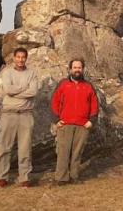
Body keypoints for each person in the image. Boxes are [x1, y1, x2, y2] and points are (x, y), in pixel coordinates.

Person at [0, 47, 38, 188]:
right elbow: (8, 90)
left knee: (25, 149)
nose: (20, 60)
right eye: (18, 57)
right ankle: (2, 177)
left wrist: (16, 91)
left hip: (26, 115)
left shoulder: (32, 73)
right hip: (9, 114)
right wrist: (24, 88)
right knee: (4, 147)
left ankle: (24, 177)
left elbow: (33, 91)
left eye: (23, 57)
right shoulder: (7, 73)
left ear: (26, 58)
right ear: (14, 58)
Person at [50, 58, 98, 186]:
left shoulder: (88, 86)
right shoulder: (63, 84)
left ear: (83, 69)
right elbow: (54, 102)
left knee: (77, 152)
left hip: (83, 125)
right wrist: (56, 120)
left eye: (79, 67)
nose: (77, 70)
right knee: (63, 152)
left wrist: (92, 121)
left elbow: (94, 105)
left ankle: (74, 176)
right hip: (65, 123)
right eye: (75, 67)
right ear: (70, 69)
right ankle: (61, 178)